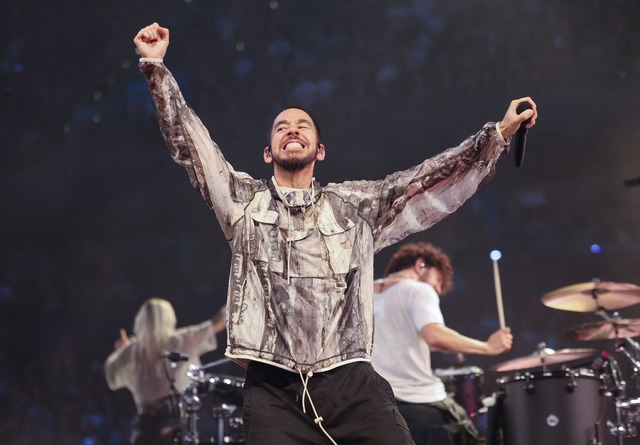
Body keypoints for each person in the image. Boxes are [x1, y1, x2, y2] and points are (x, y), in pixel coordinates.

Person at [132, 22, 537, 445]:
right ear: (268, 152)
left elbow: (424, 181)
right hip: (273, 388)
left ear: (320, 151)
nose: (292, 128)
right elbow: (192, 147)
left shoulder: (354, 207)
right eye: (281, 126)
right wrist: (156, 67)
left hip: (350, 381)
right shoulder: (243, 203)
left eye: (302, 125)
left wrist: (498, 134)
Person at [371, 242, 513, 445]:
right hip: (415, 400)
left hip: (373, 405)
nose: (437, 291)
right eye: (438, 281)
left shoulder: (364, 291)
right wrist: (487, 347)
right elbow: (434, 336)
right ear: (420, 265)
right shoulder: (418, 289)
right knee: (470, 433)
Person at [104, 298, 226, 445]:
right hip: (171, 423)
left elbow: (111, 374)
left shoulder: (132, 352)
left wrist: (121, 350)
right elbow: (219, 322)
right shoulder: (180, 340)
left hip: (143, 427)